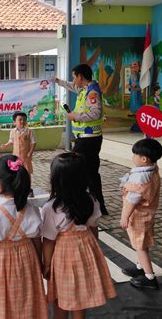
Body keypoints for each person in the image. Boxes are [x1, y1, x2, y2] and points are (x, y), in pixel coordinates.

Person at [0, 155, 47, 319]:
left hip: (0, 263)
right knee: (27, 301)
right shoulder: (32, 209)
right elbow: (37, 241)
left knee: (2, 302)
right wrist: (40, 262)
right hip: (28, 261)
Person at [42, 152, 116, 319]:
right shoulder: (92, 200)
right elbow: (94, 228)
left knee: (60, 296)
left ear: (56, 179)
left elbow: (48, 240)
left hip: (63, 255)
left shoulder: (51, 208)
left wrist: (46, 265)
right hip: (86, 248)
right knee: (80, 298)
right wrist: (94, 252)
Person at [54, 64, 109, 215]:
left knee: (79, 170)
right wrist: (58, 81)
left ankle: (86, 204)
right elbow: (71, 86)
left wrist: (75, 116)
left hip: (88, 140)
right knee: (90, 172)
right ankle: (98, 205)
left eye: (74, 77)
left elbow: (96, 113)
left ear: (80, 76)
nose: (73, 80)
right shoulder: (85, 89)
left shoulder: (92, 93)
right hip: (85, 138)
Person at [120, 139, 162, 290]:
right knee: (140, 243)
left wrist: (124, 217)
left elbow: (132, 200)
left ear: (144, 159)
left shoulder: (140, 178)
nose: (133, 157)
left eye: (135, 155)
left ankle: (149, 277)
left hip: (139, 216)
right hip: (147, 214)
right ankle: (141, 266)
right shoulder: (152, 169)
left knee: (140, 246)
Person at [1, 112, 36, 198]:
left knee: (27, 173)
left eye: (24, 120)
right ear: (14, 122)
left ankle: (29, 189)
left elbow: (33, 143)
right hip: (16, 157)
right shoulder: (12, 131)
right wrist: (6, 145)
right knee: (16, 173)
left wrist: (30, 152)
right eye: (20, 120)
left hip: (26, 157)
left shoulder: (29, 131)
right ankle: (18, 188)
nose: (22, 121)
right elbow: (11, 141)